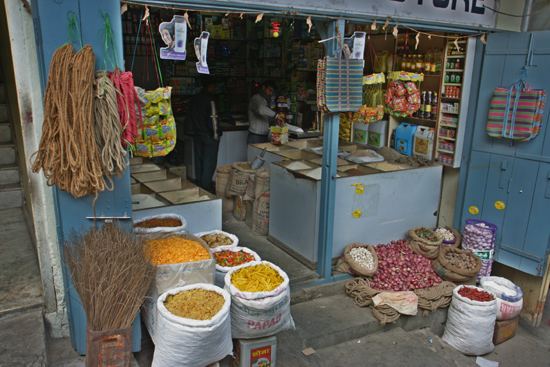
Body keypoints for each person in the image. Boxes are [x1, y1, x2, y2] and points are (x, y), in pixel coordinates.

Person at [184, 77, 222, 193]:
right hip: (208, 135)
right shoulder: (210, 100)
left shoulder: (195, 98)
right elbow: (213, 120)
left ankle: (200, 185)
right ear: (210, 87)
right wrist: (216, 136)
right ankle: (206, 187)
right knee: (209, 162)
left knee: (199, 160)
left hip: (197, 134)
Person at [247, 80, 284, 145]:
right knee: (254, 155)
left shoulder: (265, 101)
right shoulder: (255, 98)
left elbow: (268, 115)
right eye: (269, 90)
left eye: (272, 92)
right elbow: (260, 109)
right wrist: (276, 116)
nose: (270, 93)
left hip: (264, 136)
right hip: (255, 136)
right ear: (263, 88)